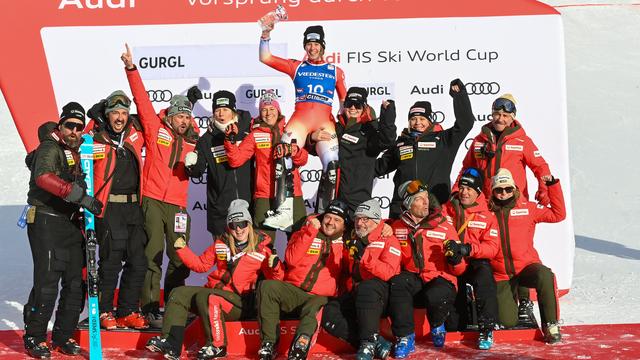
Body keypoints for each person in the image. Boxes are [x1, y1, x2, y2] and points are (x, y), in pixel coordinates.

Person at [455, 95, 553, 326]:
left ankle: (525, 301)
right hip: (488, 206)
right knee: (495, 253)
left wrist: (545, 190)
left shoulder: (522, 141)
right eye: (496, 114)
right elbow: (466, 169)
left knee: (520, 251)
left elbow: (541, 167)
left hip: (515, 205)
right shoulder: (480, 140)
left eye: (505, 115)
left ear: (512, 118)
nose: (500, 119)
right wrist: (456, 190)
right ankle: (497, 299)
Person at [121, 44, 200, 327]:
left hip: (178, 204)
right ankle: (151, 307)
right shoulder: (156, 129)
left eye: (188, 117)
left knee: (181, 254)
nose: (185, 121)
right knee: (152, 254)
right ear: (171, 116)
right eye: (181, 116)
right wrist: (131, 69)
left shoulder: (194, 140)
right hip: (153, 199)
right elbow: (142, 100)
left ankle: (175, 304)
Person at [146, 200, 283, 359]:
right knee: (178, 293)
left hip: (241, 302)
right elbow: (202, 265)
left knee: (208, 296)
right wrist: (182, 249)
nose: (238, 229)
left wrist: (275, 267)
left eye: (242, 224)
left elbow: (276, 281)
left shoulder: (262, 247)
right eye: (233, 225)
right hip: (217, 293)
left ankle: (218, 345)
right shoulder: (221, 242)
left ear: (249, 224)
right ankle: (171, 343)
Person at [23, 103, 103, 358]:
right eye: (70, 125)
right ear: (61, 125)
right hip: (45, 220)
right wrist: (81, 196)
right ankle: (34, 337)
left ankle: (62, 335)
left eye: (79, 128)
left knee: (75, 282)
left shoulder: (76, 148)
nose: (74, 131)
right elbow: (43, 177)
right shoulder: (50, 146)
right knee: (47, 283)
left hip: (69, 221)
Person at [260, 24, 347, 220]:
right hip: (300, 122)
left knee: (332, 166)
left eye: (316, 44)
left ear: (323, 46)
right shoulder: (297, 66)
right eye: (309, 44)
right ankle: (282, 212)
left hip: (324, 124)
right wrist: (265, 35)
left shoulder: (336, 71)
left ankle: (325, 217)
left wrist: (344, 128)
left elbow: (344, 104)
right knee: (282, 153)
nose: (312, 48)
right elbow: (265, 58)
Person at [83, 91, 150, 330]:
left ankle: (127, 310)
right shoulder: (96, 137)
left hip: (133, 207)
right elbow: (78, 144)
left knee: (138, 261)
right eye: (114, 113)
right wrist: (95, 116)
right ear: (107, 115)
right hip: (109, 207)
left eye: (123, 113)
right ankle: (103, 311)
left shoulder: (134, 134)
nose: (119, 118)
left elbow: (151, 114)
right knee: (111, 261)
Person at [256, 200, 349, 360]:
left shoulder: (347, 242)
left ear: (344, 225)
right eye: (328, 217)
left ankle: (299, 348)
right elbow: (291, 259)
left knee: (314, 308)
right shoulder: (306, 231)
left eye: (337, 220)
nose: (330, 222)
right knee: (267, 286)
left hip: (320, 297)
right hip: (294, 292)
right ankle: (269, 344)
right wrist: (310, 231)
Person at [487, 168, 566, 343]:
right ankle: (513, 297)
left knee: (545, 275)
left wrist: (552, 186)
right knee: (508, 321)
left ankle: (551, 325)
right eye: (499, 190)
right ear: (492, 191)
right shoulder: (486, 211)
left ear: (514, 189)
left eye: (508, 189)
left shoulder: (528, 208)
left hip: (525, 267)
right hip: (501, 274)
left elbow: (558, 215)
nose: (504, 193)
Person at [375, 79, 474, 218]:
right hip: (402, 209)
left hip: (434, 207)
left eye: (422, 119)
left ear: (429, 121)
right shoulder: (401, 143)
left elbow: (466, 123)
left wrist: (459, 96)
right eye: (413, 119)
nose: (417, 123)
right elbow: (378, 168)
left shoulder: (443, 139)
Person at [388, 180, 463, 355]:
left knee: (435, 294)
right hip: (414, 278)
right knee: (399, 283)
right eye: (419, 199)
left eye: (426, 198)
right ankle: (405, 337)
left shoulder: (444, 225)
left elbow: (460, 270)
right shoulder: (397, 226)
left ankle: (437, 324)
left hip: (441, 279)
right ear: (408, 204)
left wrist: (456, 259)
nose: (426, 202)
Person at [322, 199, 401, 360]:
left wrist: (365, 257)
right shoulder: (353, 238)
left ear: (377, 220)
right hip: (358, 293)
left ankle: (368, 343)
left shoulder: (389, 239)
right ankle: (375, 342)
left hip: (382, 295)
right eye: (358, 218)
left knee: (367, 287)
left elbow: (388, 273)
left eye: (366, 219)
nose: (360, 223)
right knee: (329, 312)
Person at [224, 91, 308, 236]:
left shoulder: (290, 131)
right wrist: (230, 141)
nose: (268, 113)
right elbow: (235, 160)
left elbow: (303, 159)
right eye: (264, 109)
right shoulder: (256, 134)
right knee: (263, 242)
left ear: (278, 110)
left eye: (271, 109)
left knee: (298, 238)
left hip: (291, 192)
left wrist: (292, 149)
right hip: (264, 194)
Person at [308, 87, 397, 213]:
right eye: (349, 104)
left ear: (364, 107)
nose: (353, 108)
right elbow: (314, 150)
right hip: (330, 194)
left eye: (357, 105)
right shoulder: (335, 127)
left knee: (355, 232)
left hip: (357, 199)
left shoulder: (370, 129)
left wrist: (388, 114)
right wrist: (311, 138)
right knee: (327, 231)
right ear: (344, 106)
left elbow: (387, 141)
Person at [441, 168, 500, 350]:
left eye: (470, 189)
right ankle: (455, 326)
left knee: (484, 275)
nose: (465, 192)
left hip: (474, 259)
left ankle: (487, 328)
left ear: (479, 192)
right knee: (449, 288)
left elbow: (492, 248)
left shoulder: (487, 214)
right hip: (452, 261)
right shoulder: (446, 209)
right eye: (462, 187)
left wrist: (468, 249)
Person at [188, 90, 254, 237]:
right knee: (223, 258)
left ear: (233, 111)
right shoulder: (206, 139)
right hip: (220, 211)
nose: (221, 114)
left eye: (225, 109)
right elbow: (197, 171)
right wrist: (191, 164)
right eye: (217, 110)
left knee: (248, 258)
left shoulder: (247, 132)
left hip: (249, 208)